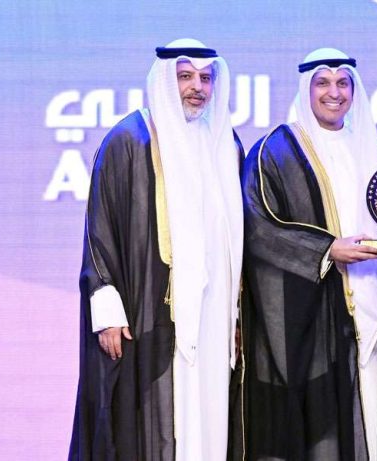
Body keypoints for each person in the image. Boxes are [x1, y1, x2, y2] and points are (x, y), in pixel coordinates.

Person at [231, 48, 377, 461]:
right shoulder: (274, 151)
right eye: (323, 83)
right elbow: (258, 229)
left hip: (373, 313)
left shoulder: (375, 149)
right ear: (306, 89)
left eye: (343, 83)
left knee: (375, 421)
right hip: (311, 324)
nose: (334, 93)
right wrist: (326, 250)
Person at [69, 38, 243, 460]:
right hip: (148, 311)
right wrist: (107, 311)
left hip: (214, 314)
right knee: (153, 420)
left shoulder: (225, 143)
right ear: (165, 81)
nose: (197, 87)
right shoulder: (129, 140)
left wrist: (238, 314)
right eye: (185, 77)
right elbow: (100, 229)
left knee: (209, 415)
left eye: (206, 78)